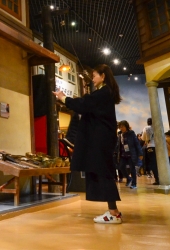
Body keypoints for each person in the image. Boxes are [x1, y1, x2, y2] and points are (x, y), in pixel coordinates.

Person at [54, 64, 123, 224]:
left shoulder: (102, 93)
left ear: (103, 76)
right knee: (103, 172)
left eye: (94, 75)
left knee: (104, 173)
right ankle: (114, 211)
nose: (93, 79)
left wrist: (63, 98)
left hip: (100, 141)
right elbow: (87, 104)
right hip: (102, 140)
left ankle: (114, 213)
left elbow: (83, 105)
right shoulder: (105, 94)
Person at [117, 120, 143, 189]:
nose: (121, 128)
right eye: (120, 127)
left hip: (131, 154)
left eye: (123, 127)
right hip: (123, 154)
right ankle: (129, 178)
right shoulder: (120, 134)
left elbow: (136, 143)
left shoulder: (131, 133)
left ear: (126, 126)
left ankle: (134, 184)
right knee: (121, 167)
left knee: (132, 169)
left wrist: (140, 153)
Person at [142, 118, 160, 185]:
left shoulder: (146, 128)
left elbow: (143, 138)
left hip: (150, 146)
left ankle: (157, 179)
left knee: (153, 163)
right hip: (159, 147)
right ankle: (163, 178)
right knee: (159, 163)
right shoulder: (157, 127)